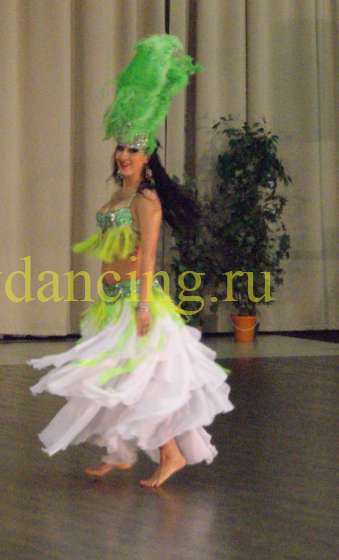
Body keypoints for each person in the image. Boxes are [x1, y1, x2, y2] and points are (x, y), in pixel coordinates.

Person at [29, 34, 233, 488]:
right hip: (113, 302)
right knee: (115, 380)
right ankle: (120, 453)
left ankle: (171, 454)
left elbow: (149, 258)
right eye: (121, 148)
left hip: (137, 303)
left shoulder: (145, 198)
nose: (124, 155)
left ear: (148, 156)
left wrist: (142, 306)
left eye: (133, 150)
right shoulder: (119, 194)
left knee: (141, 381)